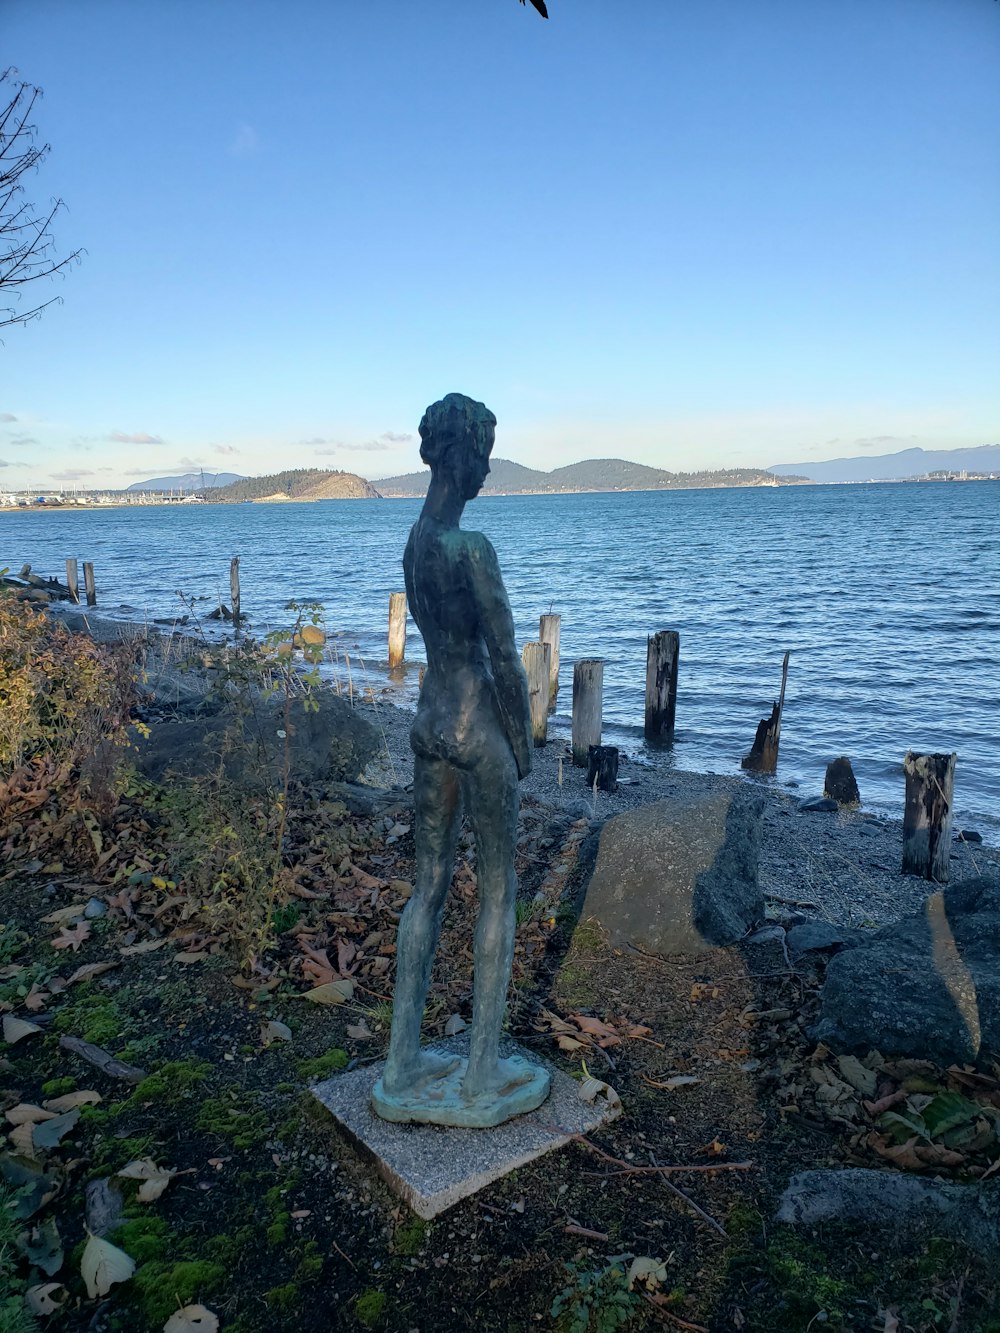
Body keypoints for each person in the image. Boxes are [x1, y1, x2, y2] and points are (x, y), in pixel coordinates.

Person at [371, 393, 550, 1127]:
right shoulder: (471, 551)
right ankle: (481, 1070)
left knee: (428, 889)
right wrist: (526, 742)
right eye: (482, 458)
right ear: (464, 457)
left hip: (429, 724)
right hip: (479, 731)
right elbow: (506, 659)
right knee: (499, 891)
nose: (483, 474)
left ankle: (400, 1059)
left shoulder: (415, 544)